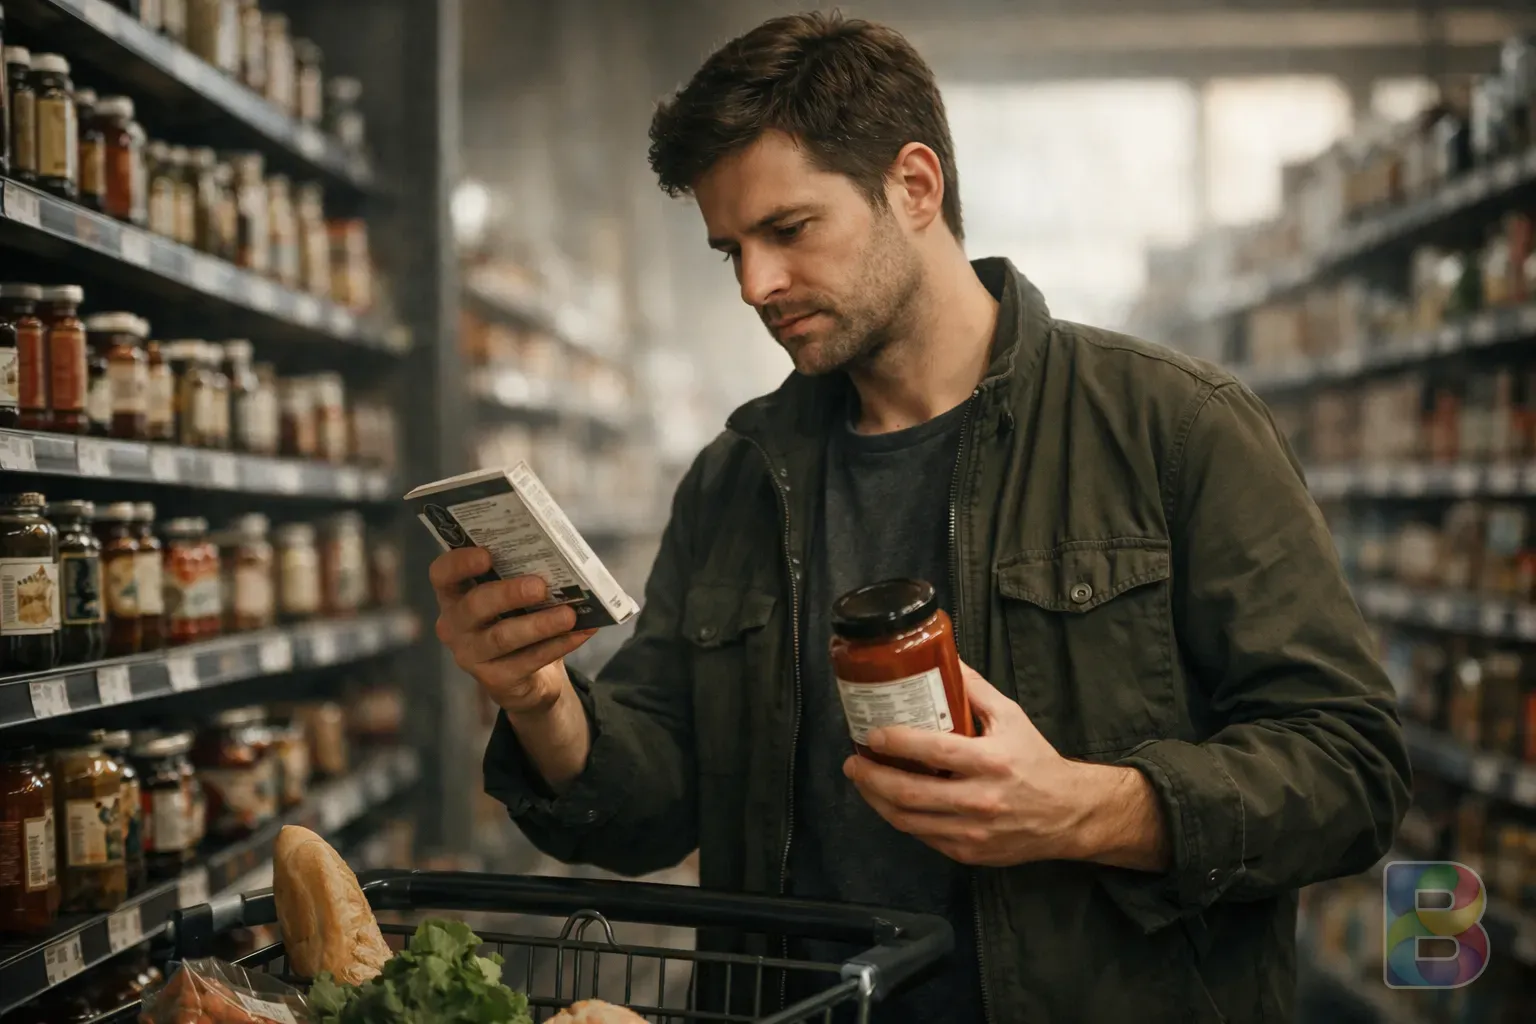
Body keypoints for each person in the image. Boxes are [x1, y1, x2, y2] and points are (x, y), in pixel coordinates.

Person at [429, 12, 1411, 1023]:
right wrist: (542, 695)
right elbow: (650, 811)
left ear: (914, 186)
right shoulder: (735, 481)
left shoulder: (1172, 426)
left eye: (789, 229)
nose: (756, 284)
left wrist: (1085, 806)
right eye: (731, 250)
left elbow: (1354, 768)